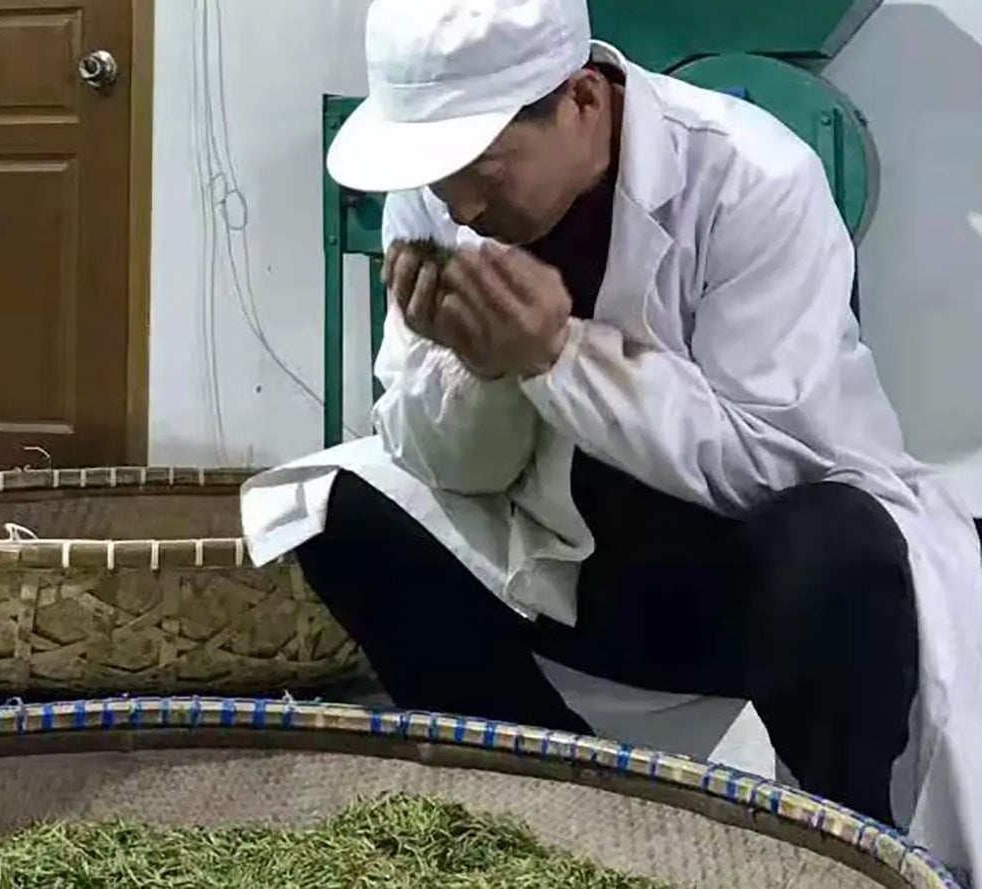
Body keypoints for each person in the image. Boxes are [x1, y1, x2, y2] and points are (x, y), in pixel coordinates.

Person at [239, 0, 982, 878]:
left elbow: (773, 458)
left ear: (583, 100)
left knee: (836, 542)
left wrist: (559, 356)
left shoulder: (751, 177)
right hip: (571, 568)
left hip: (737, 579)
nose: (463, 205)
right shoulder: (437, 195)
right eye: (439, 175)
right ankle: (536, 815)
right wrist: (474, 367)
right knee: (327, 505)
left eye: (485, 166)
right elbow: (440, 465)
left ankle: (835, 858)